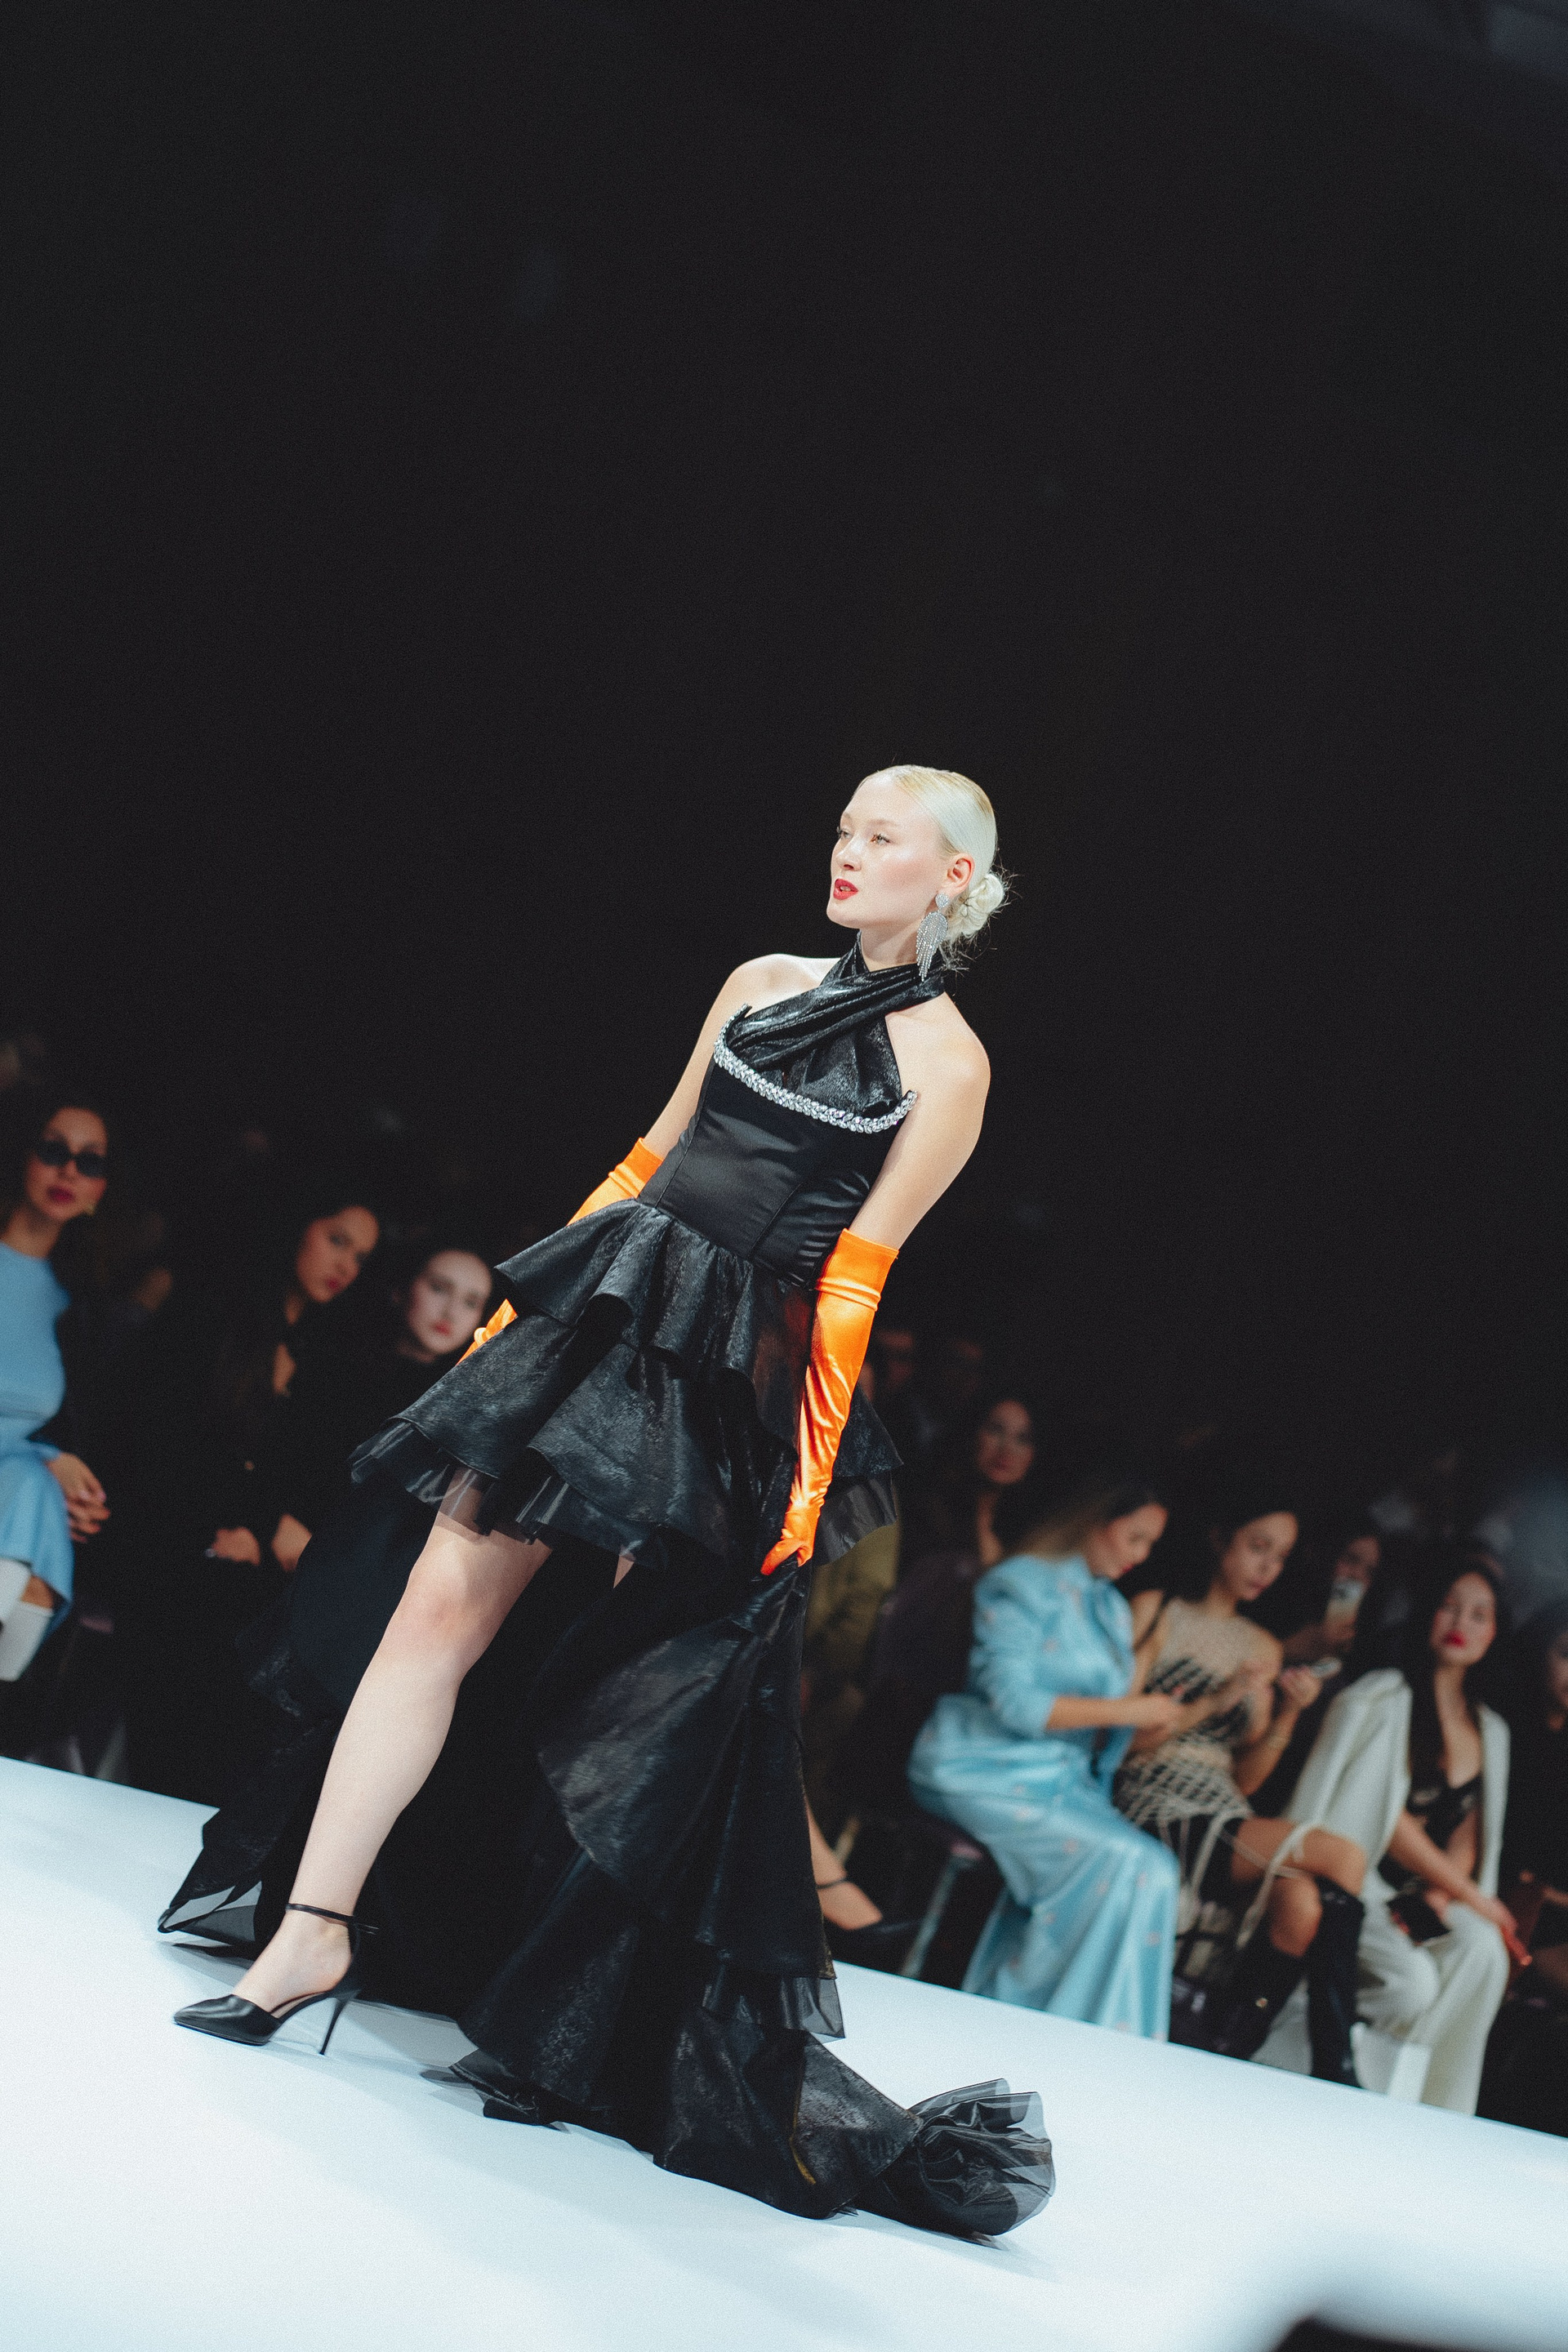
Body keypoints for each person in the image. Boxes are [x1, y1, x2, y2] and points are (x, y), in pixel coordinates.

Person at [161, 765, 1054, 2239]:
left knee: (638, 1707)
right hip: (613, 1315)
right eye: (843, 828)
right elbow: (650, 1155)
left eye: (881, 837)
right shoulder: (759, 981)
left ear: (953, 875)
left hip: (734, 1377)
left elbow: (854, 1278)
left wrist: (806, 1477)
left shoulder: (949, 1066)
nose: (846, 852)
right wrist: (516, 1322)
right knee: (434, 1614)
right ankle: (310, 1934)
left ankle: (558, 2028)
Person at [113, 1178, 380, 1800]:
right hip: (166, 1539)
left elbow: (296, 1476)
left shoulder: (317, 1352)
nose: (346, 1266)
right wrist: (260, 1527)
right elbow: (163, 1452)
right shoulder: (210, 1316)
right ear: (299, 1227)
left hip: (239, 1555)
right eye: (337, 1240)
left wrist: (266, 1534)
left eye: (361, 1257)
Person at [908, 1464, 1180, 2034]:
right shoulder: (1022, 1582)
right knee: (1123, 1861)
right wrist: (1130, 1711)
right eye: (1134, 1537)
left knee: (1155, 1868)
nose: (1140, 1555)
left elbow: (1105, 1721)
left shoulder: (1111, 1607)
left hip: (1061, 1778)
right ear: (1096, 1520)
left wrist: (1148, 1721)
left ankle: (1085, 2034)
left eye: (1151, 1545)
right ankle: (1039, 2026)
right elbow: (1015, 1703)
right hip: (982, 1766)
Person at [1113, 1479, 1368, 2084]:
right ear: (1221, 1539)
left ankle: (1226, 2056)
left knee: (1300, 1903)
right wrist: (1212, 1701)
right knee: (1343, 1856)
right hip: (1154, 1796)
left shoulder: (1262, 1645)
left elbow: (1246, 1779)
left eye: (1280, 1557)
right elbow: (1118, 1742)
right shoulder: (1157, 1611)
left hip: (1220, 1803)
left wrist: (1288, 1716)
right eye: (1258, 1547)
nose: (1267, 1567)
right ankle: (1337, 2063)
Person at [1286, 1546, 1521, 2113]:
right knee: (1412, 1983)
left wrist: (1441, 1898)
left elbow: (1471, 1836)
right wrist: (1473, 1897)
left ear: (1494, 1632)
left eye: (1479, 1614)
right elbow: (1379, 1816)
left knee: (1484, 1951)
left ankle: (1430, 2109)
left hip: (1424, 1894)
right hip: (1360, 1881)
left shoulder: (1491, 1730)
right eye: (1450, 1606)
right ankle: (1340, 2090)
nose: (1462, 1623)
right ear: (1427, 1611)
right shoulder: (1383, 1697)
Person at [829, 1389, 1040, 1821]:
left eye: (1023, 1438)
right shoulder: (923, 1500)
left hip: (964, 1698)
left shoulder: (1031, 1537)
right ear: (972, 1433)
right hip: (885, 1676)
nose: (1007, 1449)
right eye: (996, 1430)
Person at [269, 1241, 497, 1564]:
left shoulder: (469, 1411)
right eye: (438, 1288)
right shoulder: (333, 1364)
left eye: (471, 1302)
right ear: (401, 1290)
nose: (450, 1312)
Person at [0, 1098, 113, 1686]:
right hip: (16, 1485)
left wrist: (63, 1468)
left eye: (89, 1162)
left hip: (16, 1494)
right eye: (53, 1151)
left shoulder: (78, 1309)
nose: (68, 1170)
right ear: (21, 1155)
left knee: (38, 1491)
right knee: (31, 1485)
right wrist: (44, 1459)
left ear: (100, 1189)